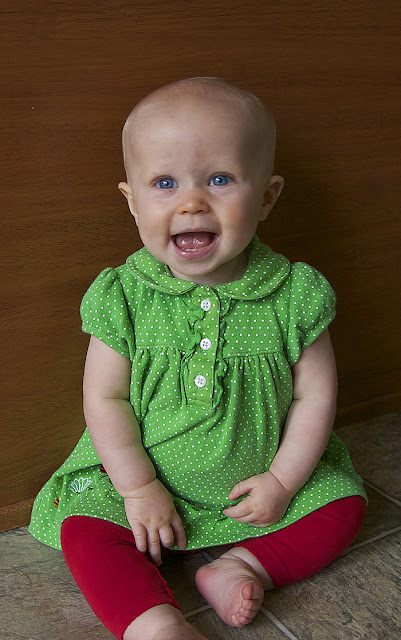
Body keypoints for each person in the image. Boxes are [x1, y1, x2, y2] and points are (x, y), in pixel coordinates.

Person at [29, 77, 367, 640]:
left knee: (345, 506)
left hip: (257, 484)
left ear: (266, 197)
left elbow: (316, 395)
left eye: (219, 179)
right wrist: (138, 488)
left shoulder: (295, 295)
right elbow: (104, 397)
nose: (191, 202)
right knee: (83, 528)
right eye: (164, 183)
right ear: (132, 202)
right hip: (141, 482)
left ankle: (244, 566)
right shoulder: (124, 296)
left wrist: (283, 482)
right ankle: (153, 624)